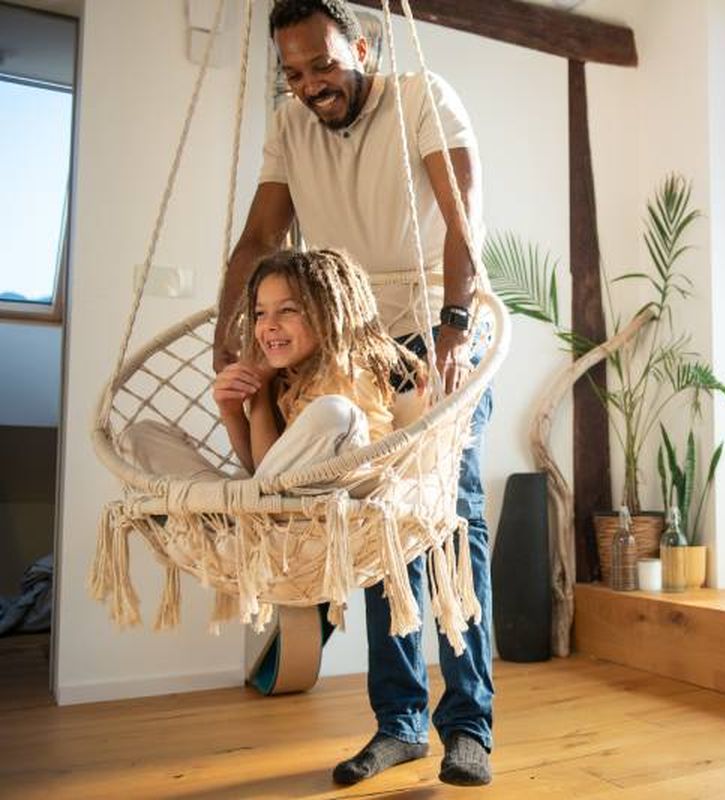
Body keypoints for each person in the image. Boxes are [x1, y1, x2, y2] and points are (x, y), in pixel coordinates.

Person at [213, 0, 495, 788]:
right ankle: (399, 725)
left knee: (448, 524)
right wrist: (231, 335)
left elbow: (463, 216)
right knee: (372, 532)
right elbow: (261, 238)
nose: (309, 85)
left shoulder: (421, 96)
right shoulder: (290, 122)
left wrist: (453, 325)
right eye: (294, 73)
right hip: (347, 349)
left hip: (430, 335)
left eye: (324, 65)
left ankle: (469, 726)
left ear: (362, 45)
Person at [122, 248, 424, 486]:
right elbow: (262, 470)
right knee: (141, 437)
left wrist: (261, 394)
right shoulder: (284, 376)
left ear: (330, 316)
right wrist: (234, 409)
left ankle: (228, 516)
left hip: (336, 503)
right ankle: (221, 513)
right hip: (273, 502)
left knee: (334, 412)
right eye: (260, 313)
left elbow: (271, 479)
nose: (269, 326)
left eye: (288, 310)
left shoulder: (346, 371)